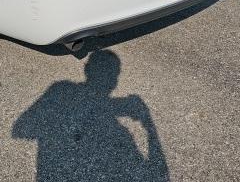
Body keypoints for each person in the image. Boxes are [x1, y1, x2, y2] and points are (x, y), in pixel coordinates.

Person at [13, 50, 170, 181]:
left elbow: (21, 129)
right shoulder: (60, 88)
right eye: (115, 73)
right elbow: (19, 129)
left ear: (86, 69)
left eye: (115, 73)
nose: (113, 78)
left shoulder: (60, 88)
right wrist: (149, 125)